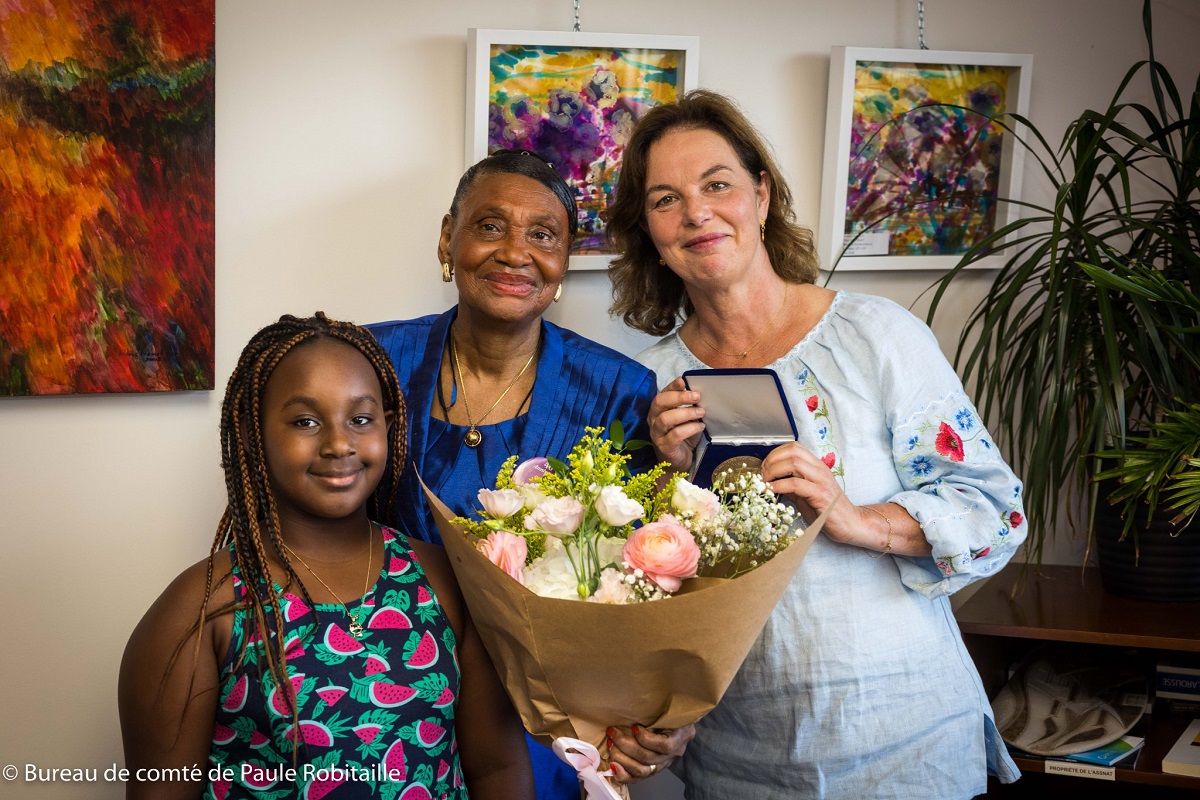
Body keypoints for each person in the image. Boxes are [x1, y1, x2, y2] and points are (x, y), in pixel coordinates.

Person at [605, 89, 1028, 799]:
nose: (697, 213)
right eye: (666, 199)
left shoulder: (875, 335)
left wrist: (857, 518)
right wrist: (673, 491)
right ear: (648, 228)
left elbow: (994, 510)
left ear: (762, 195)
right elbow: (647, 594)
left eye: (717, 185)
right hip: (743, 758)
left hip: (909, 745)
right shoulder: (649, 386)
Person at [366, 150, 692, 798]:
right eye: (490, 226)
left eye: (542, 234)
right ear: (447, 238)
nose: (515, 252)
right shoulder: (371, 361)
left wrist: (665, 713)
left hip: (544, 726)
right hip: (383, 694)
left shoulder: (618, 389)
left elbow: (649, 580)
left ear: (565, 259)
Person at [118, 313, 533, 800]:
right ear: (254, 434)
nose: (339, 444)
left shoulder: (444, 579)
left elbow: (497, 770)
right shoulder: (201, 610)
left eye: (360, 419)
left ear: (388, 425)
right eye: (305, 421)